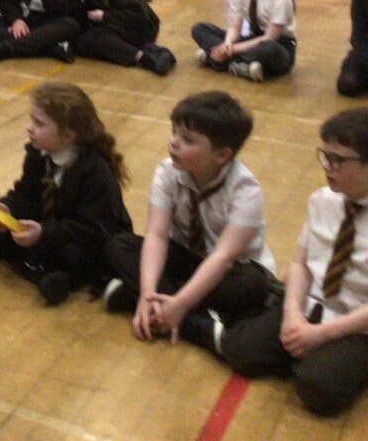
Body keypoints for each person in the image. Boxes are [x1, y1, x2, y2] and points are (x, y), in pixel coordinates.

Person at [220, 109, 368, 416]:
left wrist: (323, 335)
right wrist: (292, 314)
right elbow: (301, 263)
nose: (327, 166)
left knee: (319, 388)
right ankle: (310, 354)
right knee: (240, 351)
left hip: (361, 324)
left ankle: (355, 362)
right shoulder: (323, 200)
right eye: (325, 156)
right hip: (312, 306)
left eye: (338, 160)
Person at [105, 91, 276, 354]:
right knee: (119, 244)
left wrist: (181, 304)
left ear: (222, 155)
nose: (173, 143)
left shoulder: (245, 190)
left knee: (252, 287)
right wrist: (147, 293)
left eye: (187, 139)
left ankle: (149, 299)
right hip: (185, 258)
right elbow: (157, 235)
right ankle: (195, 321)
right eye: (173, 132)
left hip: (231, 271)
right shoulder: (167, 172)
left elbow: (223, 257)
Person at [0, 82, 132, 305]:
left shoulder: (94, 172)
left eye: (39, 123)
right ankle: (39, 267)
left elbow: (93, 229)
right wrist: (8, 207)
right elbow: (26, 193)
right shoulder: (38, 153)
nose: (29, 128)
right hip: (53, 224)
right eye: (31, 120)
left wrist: (44, 233)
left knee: (75, 256)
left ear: (67, 135)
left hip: (86, 235)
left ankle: (58, 275)